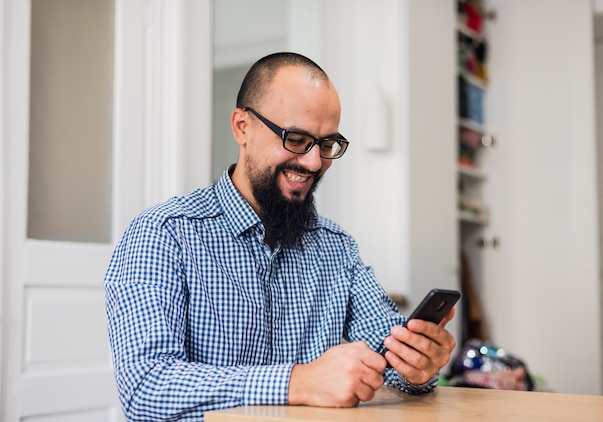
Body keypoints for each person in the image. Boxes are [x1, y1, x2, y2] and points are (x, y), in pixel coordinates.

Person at [104, 52, 457, 421]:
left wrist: (417, 366)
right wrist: (299, 382)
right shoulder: (164, 235)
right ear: (242, 127)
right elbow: (146, 387)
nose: (314, 163)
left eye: (326, 144)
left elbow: (389, 358)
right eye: (297, 138)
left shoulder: (337, 247)